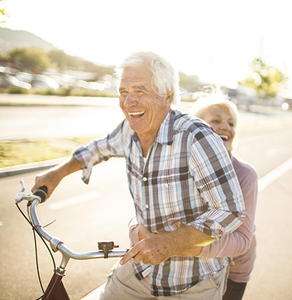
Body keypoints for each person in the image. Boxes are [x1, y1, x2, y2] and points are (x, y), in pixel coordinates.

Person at [31, 51, 246, 299]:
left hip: (194, 281)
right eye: (123, 92)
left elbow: (231, 211)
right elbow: (96, 149)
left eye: (140, 91)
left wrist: (172, 242)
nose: (128, 102)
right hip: (141, 269)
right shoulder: (129, 130)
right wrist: (56, 174)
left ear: (167, 96)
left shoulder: (195, 136)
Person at [129, 94, 258, 300]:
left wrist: (183, 245)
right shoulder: (174, 163)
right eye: (216, 121)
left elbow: (242, 239)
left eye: (231, 123)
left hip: (231, 272)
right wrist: (138, 232)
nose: (226, 126)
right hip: (176, 271)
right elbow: (143, 210)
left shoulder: (245, 174)